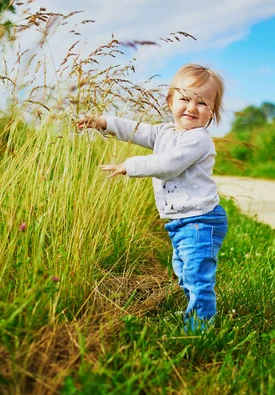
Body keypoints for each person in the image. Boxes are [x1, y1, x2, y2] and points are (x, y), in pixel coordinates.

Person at [77, 64, 228, 330]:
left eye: (202, 103)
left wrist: (129, 166)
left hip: (200, 221)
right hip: (180, 223)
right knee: (184, 274)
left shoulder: (198, 139)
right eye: (184, 99)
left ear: (212, 113)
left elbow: (169, 164)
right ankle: (199, 312)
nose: (192, 108)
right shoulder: (165, 133)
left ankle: (199, 329)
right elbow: (136, 129)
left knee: (196, 277)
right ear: (170, 102)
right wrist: (104, 122)